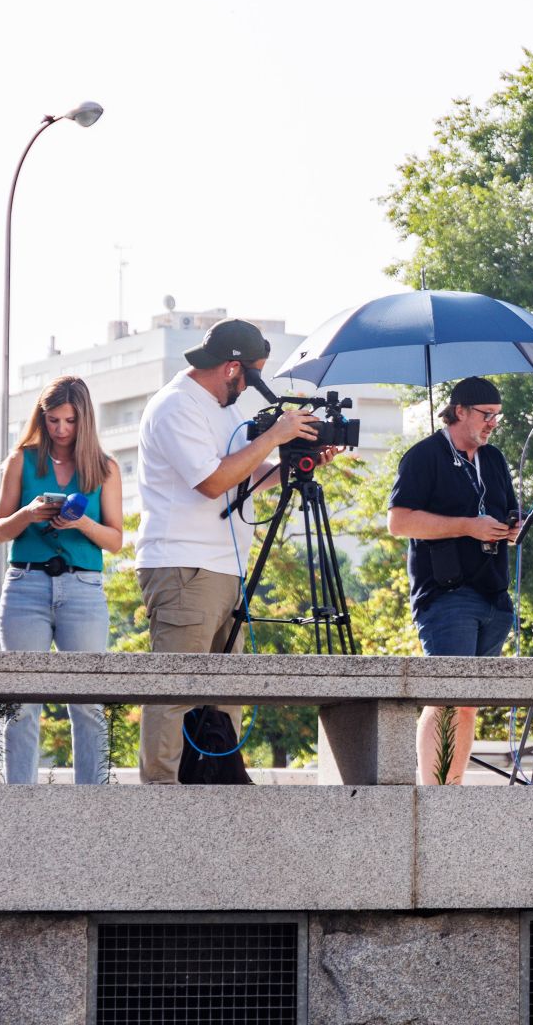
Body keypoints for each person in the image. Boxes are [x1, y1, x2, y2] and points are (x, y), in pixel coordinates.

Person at [136, 319, 327, 785]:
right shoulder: (176, 406)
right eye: (254, 374)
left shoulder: (222, 406)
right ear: (231, 367)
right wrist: (274, 436)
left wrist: (294, 462)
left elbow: (242, 471)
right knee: (175, 688)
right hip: (183, 566)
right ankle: (158, 797)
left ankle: (216, 784)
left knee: (226, 690)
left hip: (225, 568)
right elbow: (211, 481)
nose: (255, 385)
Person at [387, 376, 523, 785]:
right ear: (459, 410)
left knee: (468, 699)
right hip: (447, 593)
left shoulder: (494, 459)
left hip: (493, 594)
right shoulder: (424, 456)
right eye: (486, 415)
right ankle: (434, 793)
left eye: (497, 417)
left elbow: (505, 512)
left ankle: (453, 788)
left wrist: (510, 530)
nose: (492, 424)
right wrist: (468, 526)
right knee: (447, 693)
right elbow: (399, 522)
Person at [0, 376, 124, 784]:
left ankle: (92, 804)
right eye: (53, 420)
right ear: (41, 418)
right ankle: (17, 799)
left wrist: (81, 522)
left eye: (69, 421)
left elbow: (115, 539)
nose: (61, 429)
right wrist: (29, 513)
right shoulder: (20, 461)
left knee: (86, 702)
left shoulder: (104, 468)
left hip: (83, 589)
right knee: (21, 702)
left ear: (84, 420)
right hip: (25, 586)